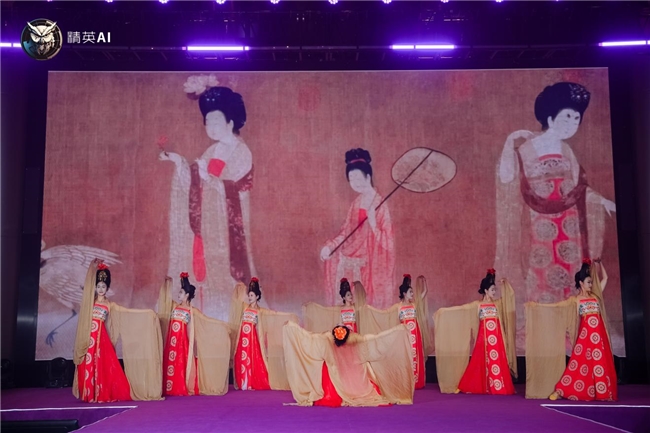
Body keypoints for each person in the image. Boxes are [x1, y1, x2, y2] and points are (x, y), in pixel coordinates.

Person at [494, 82, 616, 351]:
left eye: (576, 117)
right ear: (550, 117)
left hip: (570, 227)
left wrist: (602, 201)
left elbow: (579, 188)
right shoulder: (527, 148)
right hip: (538, 228)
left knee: (572, 277)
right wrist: (509, 141)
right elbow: (506, 178)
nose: (572, 122)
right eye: (567, 116)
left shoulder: (567, 151)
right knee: (541, 276)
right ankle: (544, 332)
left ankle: (570, 331)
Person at [160, 78, 255, 319]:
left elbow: (235, 188)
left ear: (230, 122)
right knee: (201, 273)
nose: (210, 127)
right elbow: (194, 183)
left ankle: (228, 320)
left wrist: (210, 180)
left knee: (226, 276)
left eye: (216, 121)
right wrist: (179, 163)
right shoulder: (211, 151)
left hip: (227, 228)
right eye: (207, 122)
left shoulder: (241, 151)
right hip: (206, 224)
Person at [525, 258, 616, 400]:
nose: (591, 285)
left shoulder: (596, 297)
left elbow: (606, 278)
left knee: (599, 364)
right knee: (577, 365)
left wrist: (600, 265)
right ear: (581, 283)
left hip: (599, 338)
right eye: (589, 282)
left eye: (591, 282)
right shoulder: (575, 300)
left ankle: (601, 392)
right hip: (585, 339)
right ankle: (561, 390)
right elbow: (557, 306)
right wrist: (538, 306)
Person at [73, 260, 163, 402]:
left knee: (102, 366)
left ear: (107, 288)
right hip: (88, 336)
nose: (101, 289)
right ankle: (89, 394)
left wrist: (147, 313)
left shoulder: (110, 305)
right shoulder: (90, 302)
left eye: (103, 286)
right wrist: (92, 268)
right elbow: (87, 287)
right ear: (94, 287)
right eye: (98, 286)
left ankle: (99, 394)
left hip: (100, 338)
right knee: (87, 363)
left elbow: (127, 312)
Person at [320, 148, 396, 308]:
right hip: (348, 262)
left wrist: (373, 224)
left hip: (368, 267)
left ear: (368, 176)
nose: (355, 183)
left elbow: (389, 243)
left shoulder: (380, 205)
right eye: (351, 180)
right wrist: (330, 247)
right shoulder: (356, 204)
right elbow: (345, 233)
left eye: (358, 178)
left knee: (364, 309)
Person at [283, 322, 414, 407]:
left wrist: (292, 328)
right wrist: (396, 330)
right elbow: (376, 339)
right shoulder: (339, 340)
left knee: (328, 369)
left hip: (341, 376)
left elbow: (309, 338)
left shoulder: (331, 339)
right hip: (344, 376)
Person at [158, 273, 231, 397]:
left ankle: (179, 388)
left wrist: (222, 325)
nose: (178, 294)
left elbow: (206, 320)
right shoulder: (174, 306)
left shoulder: (192, 311)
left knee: (180, 365)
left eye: (181, 292)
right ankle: (169, 388)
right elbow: (165, 298)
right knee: (170, 365)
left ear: (187, 295)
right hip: (171, 343)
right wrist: (167, 284)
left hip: (182, 344)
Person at [231, 277, 299, 390]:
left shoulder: (260, 311)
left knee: (251, 360)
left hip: (252, 340)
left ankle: (250, 383)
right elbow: (236, 301)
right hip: (242, 339)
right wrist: (239, 288)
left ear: (257, 297)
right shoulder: (244, 307)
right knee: (242, 359)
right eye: (249, 295)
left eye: (252, 295)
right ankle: (244, 383)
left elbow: (274, 314)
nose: (249, 297)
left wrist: (288, 316)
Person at [455, 270, 516, 395]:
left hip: (496, 340)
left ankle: (498, 386)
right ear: (486, 290)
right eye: (492, 290)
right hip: (483, 340)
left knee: (497, 362)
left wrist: (505, 285)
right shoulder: (478, 305)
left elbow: (509, 298)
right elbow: (463, 309)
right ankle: (470, 385)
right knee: (478, 363)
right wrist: (447, 311)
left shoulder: (497, 304)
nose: (494, 292)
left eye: (495, 290)